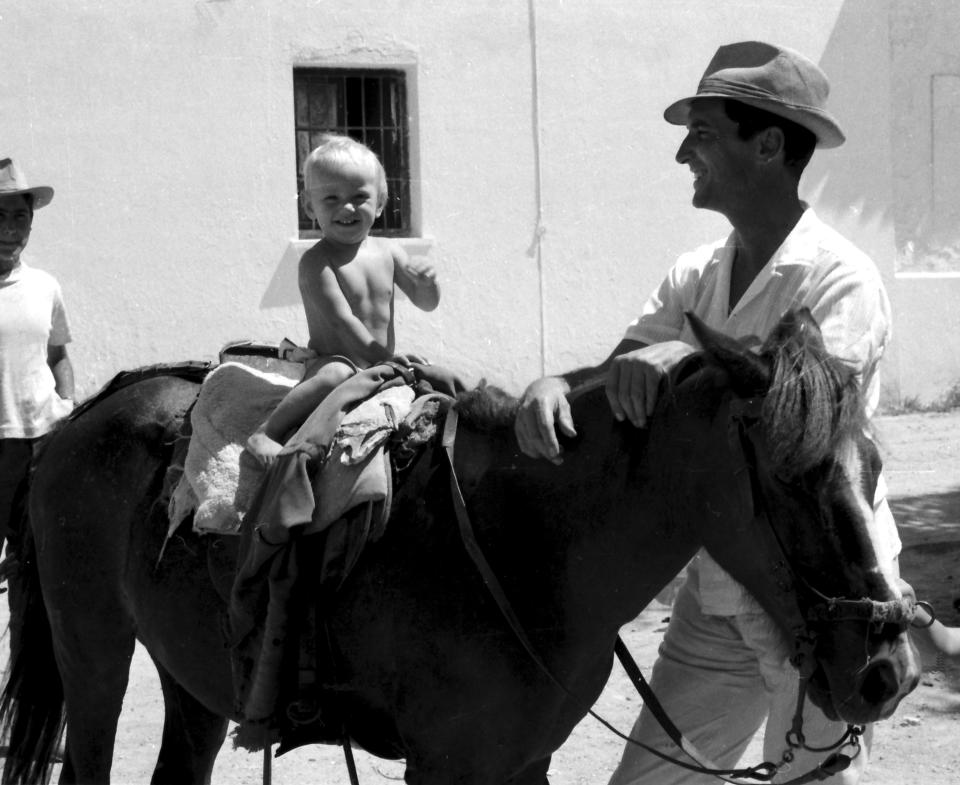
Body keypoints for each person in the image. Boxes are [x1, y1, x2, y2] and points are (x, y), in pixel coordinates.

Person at [514, 42, 902, 784]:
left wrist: (683, 362)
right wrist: (553, 386)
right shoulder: (694, 276)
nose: (683, 154)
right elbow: (614, 374)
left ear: (767, 146)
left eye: (702, 134)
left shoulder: (842, 277)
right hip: (723, 593)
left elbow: (809, 415)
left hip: (826, 591)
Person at [246, 135, 440, 465]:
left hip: (378, 361)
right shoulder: (316, 262)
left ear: (379, 202)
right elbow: (342, 320)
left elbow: (426, 303)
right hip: (334, 358)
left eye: (359, 197)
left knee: (433, 375)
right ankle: (266, 433)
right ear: (310, 206)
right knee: (335, 374)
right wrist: (385, 361)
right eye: (331, 198)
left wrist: (428, 284)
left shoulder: (390, 251)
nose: (346, 208)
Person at [0, 158, 74, 608]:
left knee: (32, 569)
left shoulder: (45, 287)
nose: (11, 228)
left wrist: (67, 403)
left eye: (20, 217)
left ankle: (21, 675)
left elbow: (59, 354)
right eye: (1, 216)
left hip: (41, 444)